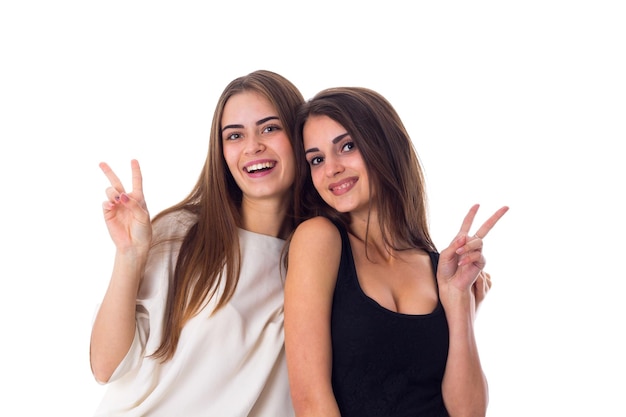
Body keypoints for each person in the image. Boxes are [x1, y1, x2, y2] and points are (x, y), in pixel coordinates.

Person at [90, 70, 305, 417]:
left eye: (269, 128)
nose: (253, 146)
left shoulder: (318, 256)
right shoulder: (182, 234)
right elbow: (107, 367)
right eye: (235, 135)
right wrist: (129, 256)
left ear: (299, 135)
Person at [284, 86, 509, 417]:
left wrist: (459, 301)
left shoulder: (436, 265)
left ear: (384, 145)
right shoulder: (319, 239)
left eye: (346, 146)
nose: (331, 169)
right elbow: (310, 399)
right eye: (317, 159)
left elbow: (469, 412)